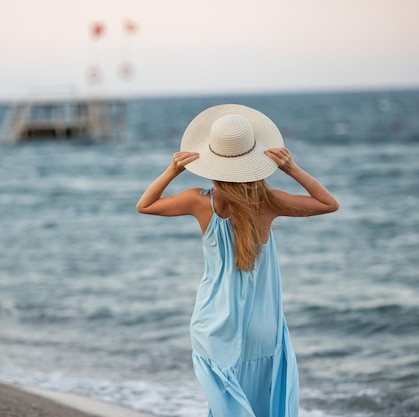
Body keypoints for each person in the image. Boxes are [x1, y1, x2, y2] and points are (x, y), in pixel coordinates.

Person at [136, 104, 339, 417]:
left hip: (215, 322)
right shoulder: (269, 202)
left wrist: (172, 171)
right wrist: (292, 169)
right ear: (254, 158)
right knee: (262, 396)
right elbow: (328, 203)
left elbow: (145, 205)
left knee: (226, 405)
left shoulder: (197, 201)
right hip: (263, 323)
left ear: (211, 159)